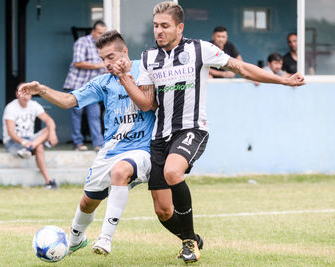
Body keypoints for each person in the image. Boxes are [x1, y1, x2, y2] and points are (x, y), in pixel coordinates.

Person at [114, 1, 305, 263]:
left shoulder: (200, 49)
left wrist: (282, 80)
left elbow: (242, 68)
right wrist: (126, 79)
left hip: (192, 129)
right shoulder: (148, 58)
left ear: (179, 27)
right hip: (160, 137)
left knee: (173, 171)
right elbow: (147, 103)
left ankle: (189, 242)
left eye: (165, 26)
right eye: (156, 26)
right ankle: (191, 238)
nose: (158, 31)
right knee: (163, 211)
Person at [18, 30, 155, 256]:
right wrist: (41, 90)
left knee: (121, 172)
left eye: (111, 57)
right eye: (102, 59)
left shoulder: (146, 70)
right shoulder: (102, 82)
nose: (106, 64)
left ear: (125, 52)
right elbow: (69, 100)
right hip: (111, 149)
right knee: (87, 202)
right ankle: (75, 239)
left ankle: (105, 238)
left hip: (142, 148)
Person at [2, 86, 58, 189]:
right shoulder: (10, 107)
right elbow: (11, 132)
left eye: (27, 93)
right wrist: (24, 143)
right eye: (22, 93)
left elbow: (49, 121)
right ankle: (49, 181)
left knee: (48, 129)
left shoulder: (34, 105)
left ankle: (48, 182)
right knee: (39, 147)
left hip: (30, 140)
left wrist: (53, 133)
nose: (25, 96)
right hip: (14, 142)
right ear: (17, 93)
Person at [63, 20, 106, 151]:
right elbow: (78, 62)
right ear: (93, 32)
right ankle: (78, 143)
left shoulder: (104, 45)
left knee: (95, 115)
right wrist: (99, 65)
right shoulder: (82, 42)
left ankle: (98, 144)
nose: (102, 35)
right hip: (77, 84)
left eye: (104, 33)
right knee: (77, 114)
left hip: (92, 87)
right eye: (99, 33)